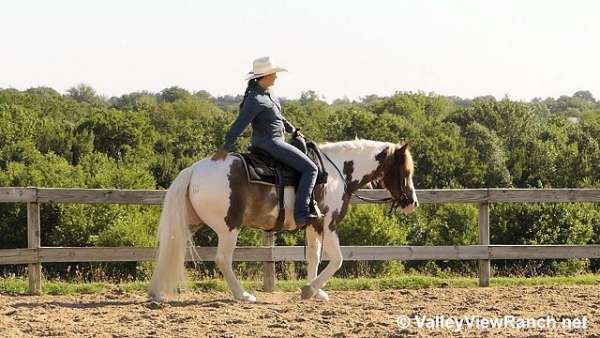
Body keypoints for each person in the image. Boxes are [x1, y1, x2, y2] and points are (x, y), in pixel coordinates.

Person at [212, 56, 321, 227]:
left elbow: (279, 117)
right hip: (270, 143)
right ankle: (301, 213)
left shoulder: (269, 94)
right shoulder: (254, 99)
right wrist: (225, 147)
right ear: (264, 76)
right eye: (273, 74)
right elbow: (239, 124)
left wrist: (293, 129)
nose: (276, 77)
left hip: (277, 140)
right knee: (311, 168)